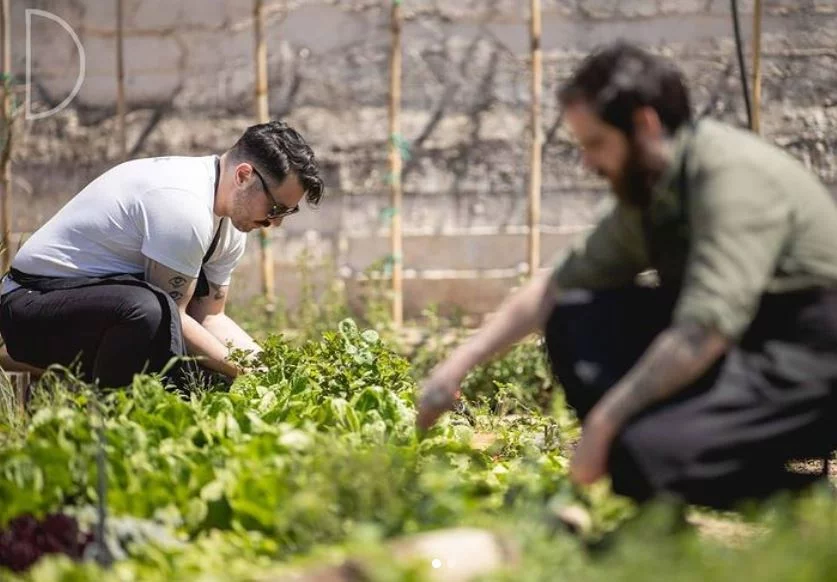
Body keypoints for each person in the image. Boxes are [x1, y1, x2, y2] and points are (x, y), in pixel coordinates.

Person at [416, 41, 837, 510]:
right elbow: (557, 285)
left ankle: (803, 502)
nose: (589, 164)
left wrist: (604, 425)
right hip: (747, 344)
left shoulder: (728, 175)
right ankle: (665, 457)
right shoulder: (655, 190)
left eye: (596, 144)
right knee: (576, 316)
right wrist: (454, 367)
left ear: (644, 125)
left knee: (641, 456)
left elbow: (705, 330)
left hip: (810, 351)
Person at [0, 121, 324, 389]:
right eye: (276, 207)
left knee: (208, 371)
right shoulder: (183, 205)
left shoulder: (229, 226)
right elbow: (175, 319)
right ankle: (113, 417)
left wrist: (274, 371)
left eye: (288, 212)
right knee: (150, 313)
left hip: (91, 309)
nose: (277, 223)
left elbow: (210, 316)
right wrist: (248, 373)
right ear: (243, 176)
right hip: (28, 306)